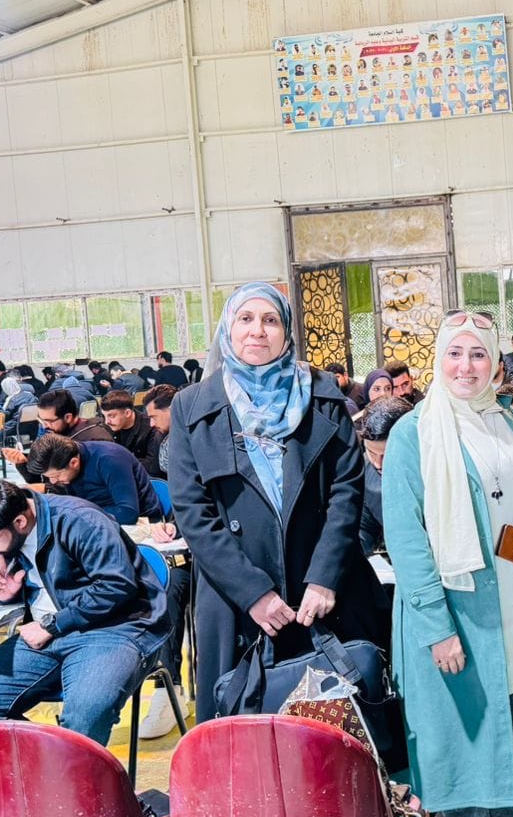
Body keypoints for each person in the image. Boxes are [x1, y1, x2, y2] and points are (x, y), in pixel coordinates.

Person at [383, 311, 513, 817]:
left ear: (496, 361)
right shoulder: (415, 432)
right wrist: (436, 626)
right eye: (455, 353)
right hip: (453, 608)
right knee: (462, 734)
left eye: (479, 353)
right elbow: (406, 538)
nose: (466, 366)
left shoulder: (510, 421)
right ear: (438, 360)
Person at [167, 284, 389, 723]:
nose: (257, 330)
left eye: (270, 320)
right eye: (245, 319)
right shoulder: (191, 407)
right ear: (227, 329)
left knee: (341, 727)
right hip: (238, 601)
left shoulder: (323, 395)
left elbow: (346, 490)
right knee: (246, 733)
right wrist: (252, 592)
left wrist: (324, 578)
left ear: (286, 331)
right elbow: (194, 512)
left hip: (323, 594)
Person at [0, 481, 171, 747]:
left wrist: (52, 625)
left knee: (85, 714)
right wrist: (4, 592)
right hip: (45, 633)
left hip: (114, 628)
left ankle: (64, 767)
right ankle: (49, 765)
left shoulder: (80, 520)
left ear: (20, 521)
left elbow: (116, 586)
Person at [26, 435, 165, 526]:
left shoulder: (109, 459)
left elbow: (128, 513)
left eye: (56, 475)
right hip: (98, 518)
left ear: (74, 462)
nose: (53, 481)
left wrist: (79, 514)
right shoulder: (65, 462)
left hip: (141, 523)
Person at [0, 388, 111, 477]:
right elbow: (45, 478)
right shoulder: (59, 434)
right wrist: (22, 462)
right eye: (41, 420)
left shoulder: (93, 441)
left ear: (68, 417)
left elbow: (88, 484)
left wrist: (46, 488)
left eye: (49, 421)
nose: (44, 426)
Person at [357, 397, 410, 558]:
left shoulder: (441, 468)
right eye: (371, 452)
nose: (378, 464)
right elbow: (365, 527)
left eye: (387, 455)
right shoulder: (365, 471)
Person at [101, 389, 158, 465]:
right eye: (104, 416)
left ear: (127, 413)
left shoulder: (151, 428)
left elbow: (151, 464)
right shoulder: (106, 426)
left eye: (111, 416)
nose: (107, 422)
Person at [142, 384, 176, 481]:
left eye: (154, 417)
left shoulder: (196, 435)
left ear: (171, 410)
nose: (152, 424)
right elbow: (156, 474)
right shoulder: (160, 436)